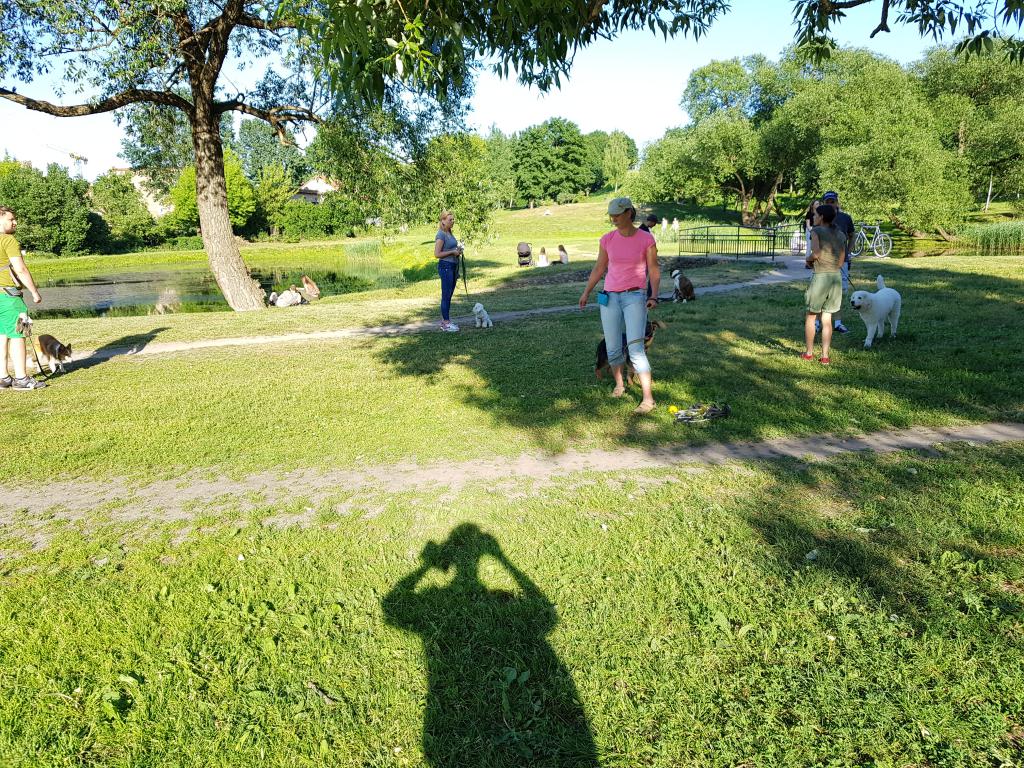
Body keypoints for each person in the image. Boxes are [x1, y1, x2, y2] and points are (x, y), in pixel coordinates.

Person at [579, 197, 660, 415]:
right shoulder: (607, 239)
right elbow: (599, 268)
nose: (613, 218)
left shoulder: (646, 239)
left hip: (635, 296)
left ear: (629, 213)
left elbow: (653, 270)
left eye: (617, 214)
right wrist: (586, 292)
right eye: (611, 215)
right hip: (610, 298)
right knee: (613, 346)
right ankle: (619, 384)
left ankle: (648, 399)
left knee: (635, 348)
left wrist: (654, 295)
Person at [0, 206, 46, 391]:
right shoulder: (8, 240)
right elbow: (20, 269)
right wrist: (35, 292)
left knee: (2, 336)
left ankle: (3, 377)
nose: (15, 222)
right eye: (11, 219)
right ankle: (21, 379)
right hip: (9, 296)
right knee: (19, 334)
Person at [802, 204, 846, 365]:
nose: (813, 217)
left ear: (821, 217)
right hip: (836, 279)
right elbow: (841, 262)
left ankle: (809, 353)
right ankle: (825, 356)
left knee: (811, 316)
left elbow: (816, 253)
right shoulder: (840, 234)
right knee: (827, 318)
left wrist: (808, 260)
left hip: (820, 278)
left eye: (815, 215)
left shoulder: (816, 231)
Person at [821, 190, 855, 333]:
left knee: (839, 292)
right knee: (822, 292)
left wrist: (848, 251)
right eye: (827, 202)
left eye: (832, 201)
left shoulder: (845, 218)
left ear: (837, 202)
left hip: (842, 262)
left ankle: (838, 323)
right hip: (823, 262)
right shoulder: (820, 217)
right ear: (824, 203)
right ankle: (818, 323)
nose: (830, 204)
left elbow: (852, 235)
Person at [434, 210, 463, 332]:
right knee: (446, 296)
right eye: (450, 219)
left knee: (449, 295)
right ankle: (445, 323)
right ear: (443, 221)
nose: (453, 221)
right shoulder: (441, 235)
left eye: (453, 219)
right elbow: (437, 254)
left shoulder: (449, 232)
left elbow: (450, 248)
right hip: (445, 267)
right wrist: (452, 252)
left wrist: (458, 250)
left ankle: (446, 320)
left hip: (452, 266)